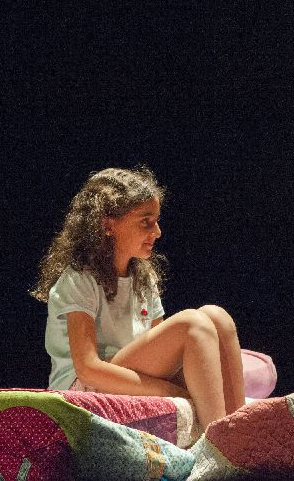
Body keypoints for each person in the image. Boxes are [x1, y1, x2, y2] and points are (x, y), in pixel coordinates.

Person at [31, 166, 245, 427]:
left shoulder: (143, 279)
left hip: (129, 377)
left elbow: (161, 352)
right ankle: (216, 441)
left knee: (216, 316)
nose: (157, 232)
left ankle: (238, 432)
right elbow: (87, 368)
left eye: (156, 221)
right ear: (108, 224)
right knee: (192, 324)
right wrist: (168, 390)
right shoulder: (80, 279)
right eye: (146, 221)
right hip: (84, 389)